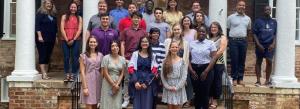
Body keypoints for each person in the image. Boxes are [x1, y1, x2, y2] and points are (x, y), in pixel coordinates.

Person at [120, 11, 148, 108]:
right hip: (128, 57)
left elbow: (146, 45)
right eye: (134, 18)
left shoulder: (144, 32)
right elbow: (122, 43)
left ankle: (137, 98)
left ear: (141, 20)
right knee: (127, 79)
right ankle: (126, 99)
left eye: (138, 18)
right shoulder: (126, 31)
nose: (136, 19)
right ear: (131, 19)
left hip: (140, 58)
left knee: (139, 79)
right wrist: (123, 57)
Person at [189, 25, 217, 109]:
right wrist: (191, 71)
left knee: (205, 92)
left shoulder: (210, 43)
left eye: (203, 31)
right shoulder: (192, 43)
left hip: (207, 69)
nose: (201, 33)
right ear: (197, 33)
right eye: (200, 31)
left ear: (206, 33)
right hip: (194, 70)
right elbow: (187, 58)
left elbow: (214, 58)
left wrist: (206, 71)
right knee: (197, 92)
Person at [128, 36, 158, 109]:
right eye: (143, 41)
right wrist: (135, 82)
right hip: (137, 82)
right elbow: (130, 68)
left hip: (148, 83)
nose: (144, 43)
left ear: (149, 43)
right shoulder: (135, 54)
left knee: (147, 105)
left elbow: (154, 69)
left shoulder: (153, 55)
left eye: (146, 41)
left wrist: (147, 83)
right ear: (140, 43)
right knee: (137, 105)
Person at [227, 0, 251, 86]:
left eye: (243, 5)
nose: (242, 7)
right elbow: (228, 29)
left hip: (243, 41)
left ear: (245, 7)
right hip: (233, 41)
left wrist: (245, 40)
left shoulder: (248, 19)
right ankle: (234, 78)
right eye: (240, 5)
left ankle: (240, 78)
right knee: (234, 60)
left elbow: (248, 30)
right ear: (237, 6)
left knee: (242, 60)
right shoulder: (231, 17)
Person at [253, 5, 276, 87]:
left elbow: (275, 34)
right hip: (260, 45)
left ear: (271, 11)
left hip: (270, 45)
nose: (267, 11)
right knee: (258, 61)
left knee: (269, 62)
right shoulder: (258, 21)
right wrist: (258, 44)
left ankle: (267, 80)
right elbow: (254, 34)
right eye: (266, 10)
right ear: (263, 11)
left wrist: (273, 44)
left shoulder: (274, 22)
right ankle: (258, 81)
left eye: (269, 10)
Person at [161, 41, 188, 109]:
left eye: (176, 47)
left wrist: (177, 87)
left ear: (178, 48)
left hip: (178, 86)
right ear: (169, 48)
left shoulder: (182, 61)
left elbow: (184, 76)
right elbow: (162, 75)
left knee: (177, 106)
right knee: (170, 107)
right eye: (172, 47)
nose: (174, 48)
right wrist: (167, 86)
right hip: (168, 86)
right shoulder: (165, 61)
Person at [60, 2, 83, 81]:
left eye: (75, 7)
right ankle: (67, 74)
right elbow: (62, 28)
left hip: (76, 40)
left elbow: (80, 29)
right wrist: (66, 39)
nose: (73, 9)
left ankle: (73, 74)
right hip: (65, 39)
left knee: (75, 57)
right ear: (69, 8)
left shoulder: (79, 17)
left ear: (77, 9)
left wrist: (73, 39)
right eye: (72, 7)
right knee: (66, 57)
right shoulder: (64, 16)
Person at [35, 0, 57, 79]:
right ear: (44, 5)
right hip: (42, 38)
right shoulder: (40, 14)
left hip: (51, 38)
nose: (49, 5)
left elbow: (55, 27)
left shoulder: (53, 15)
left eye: (50, 4)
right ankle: (43, 73)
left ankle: (46, 73)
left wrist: (56, 36)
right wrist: (39, 36)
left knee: (48, 55)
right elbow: (37, 26)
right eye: (47, 3)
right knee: (43, 54)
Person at [100, 40, 126, 109]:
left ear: (119, 47)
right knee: (107, 103)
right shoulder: (106, 58)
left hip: (118, 84)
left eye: (116, 46)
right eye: (112, 46)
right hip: (107, 83)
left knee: (116, 104)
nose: (115, 47)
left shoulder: (122, 59)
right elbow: (105, 73)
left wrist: (117, 85)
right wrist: (113, 85)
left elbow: (122, 73)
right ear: (110, 48)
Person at [79, 36, 103, 109]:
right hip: (88, 81)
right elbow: (82, 72)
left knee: (95, 104)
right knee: (89, 105)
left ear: (97, 43)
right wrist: (85, 87)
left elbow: (102, 70)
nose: (93, 43)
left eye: (94, 42)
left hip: (98, 81)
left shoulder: (100, 55)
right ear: (88, 43)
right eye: (91, 42)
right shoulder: (83, 56)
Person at [208, 21, 228, 109]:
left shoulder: (222, 37)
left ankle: (215, 100)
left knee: (216, 81)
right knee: (209, 80)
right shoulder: (208, 37)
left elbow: (221, 50)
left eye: (215, 27)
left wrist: (213, 58)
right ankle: (210, 98)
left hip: (218, 62)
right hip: (208, 61)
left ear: (219, 28)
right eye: (212, 27)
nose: (213, 29)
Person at [181, 16, 196, 108]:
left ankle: (189, 100)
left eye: (188, 20)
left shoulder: (194, 31)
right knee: (182, 77)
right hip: (180, 55)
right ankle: (182, 99)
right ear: (182, 22)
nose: (186, 22)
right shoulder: (181, 32)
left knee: (188, 79)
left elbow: (196, 42)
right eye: (184, 21)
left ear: (190, 22)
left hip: (191, 55)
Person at [149, 27, 166, 109]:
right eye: (154, 33)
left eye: (157, 33)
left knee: (155, 93)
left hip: (157, 74)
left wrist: (158, 72)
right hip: (147, 72)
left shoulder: (162, 46)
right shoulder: (147, 45)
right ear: (150, 34)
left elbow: (162, 61)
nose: (155, 34)